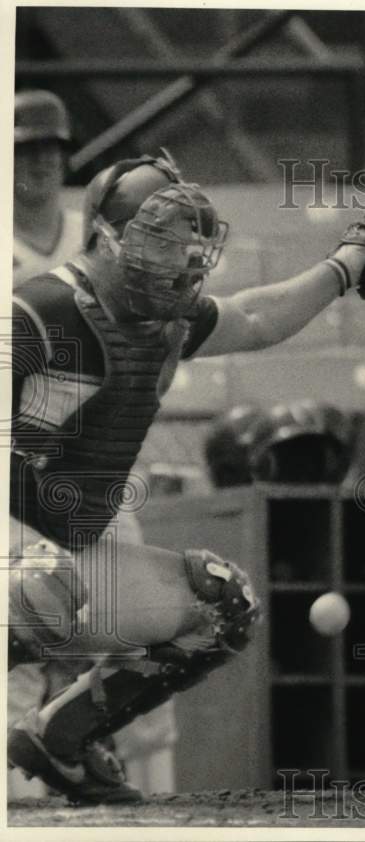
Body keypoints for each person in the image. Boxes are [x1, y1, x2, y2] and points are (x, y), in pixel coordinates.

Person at [5, 150, 365, 804]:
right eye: (159, 241)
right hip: (16, 541)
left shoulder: (165, 317)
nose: (178, 259)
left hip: (69, 553)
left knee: (220, 606)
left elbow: (258, 318)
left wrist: (348, 265)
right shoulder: (39, 311)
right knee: (33, 586)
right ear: (104, 240)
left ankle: (59, 737)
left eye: (185, 243)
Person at [10, 90, 177, 801]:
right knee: (19, 647)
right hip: (18, 476)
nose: (38, 162)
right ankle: (22, 812)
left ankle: (163, 806)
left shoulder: (96, 241)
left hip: (99, 469)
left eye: (49, 148)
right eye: (23, 149)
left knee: (143, 633)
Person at [13, 90, 82, 287]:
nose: (40, 159)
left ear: (64, 159)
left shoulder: (91, 235)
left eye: (50, 148)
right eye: (27, 149)